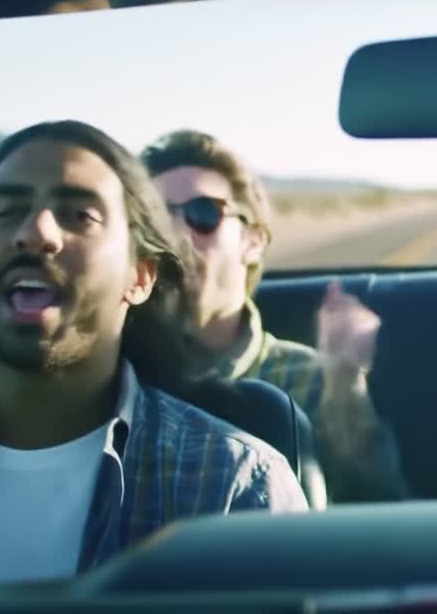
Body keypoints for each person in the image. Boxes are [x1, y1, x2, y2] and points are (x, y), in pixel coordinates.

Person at [0, 121, 307, 588]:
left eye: (79, 215)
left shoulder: (232, 487)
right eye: (6, 210)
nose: (36, 232)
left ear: (140, 276)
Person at [141, 130, 407, 503]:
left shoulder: (310, 377)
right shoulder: (114, 374)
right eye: (157, 219)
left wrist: (344, 381)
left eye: (202, 214)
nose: (177, 236)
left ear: (253, 241)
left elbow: (372, 509)